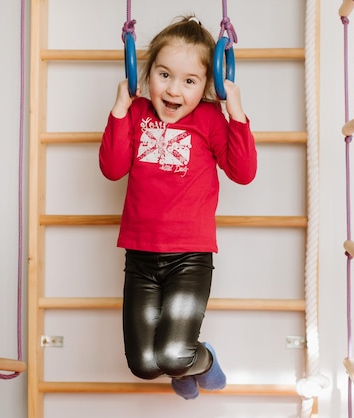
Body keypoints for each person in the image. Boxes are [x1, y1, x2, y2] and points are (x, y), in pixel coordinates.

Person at [99, 15, 257, 400]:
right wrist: (120, 107)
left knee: (173, 354)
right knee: (144, 365)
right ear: (145, 73)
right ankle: (181, 366)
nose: (173, 90)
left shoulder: (209, 119)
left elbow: (243, 172)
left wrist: (235, 112)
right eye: (164, 75)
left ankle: (199, 361)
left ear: (207, 86)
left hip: (189, 258)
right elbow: (112, 168)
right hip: (140, 258)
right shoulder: (136, 114)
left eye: (189, 81)